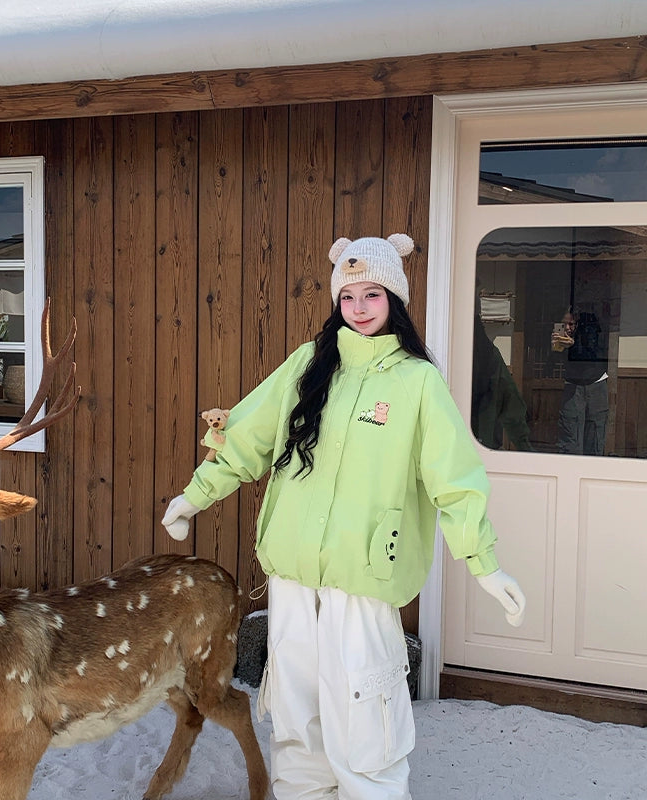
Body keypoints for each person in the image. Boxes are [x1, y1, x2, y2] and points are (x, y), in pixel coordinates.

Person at [162, 234, 526, 800]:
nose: (358, 308)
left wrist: (484, 563)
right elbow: (247, 437)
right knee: (295, 708)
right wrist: (196, 494)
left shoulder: (417, 382)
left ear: (395, 302)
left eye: (372, 294)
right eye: (348, 295)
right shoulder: (308, 365)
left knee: (363, 712)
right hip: (292, 573)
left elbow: (454, 480)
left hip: (364, 576)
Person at [471, 309, 533, 451]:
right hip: (483, 444)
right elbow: (512, 403)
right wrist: (525, 446)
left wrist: (524, 446)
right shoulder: (489, 354)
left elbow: (511, 401)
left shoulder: (489, 355)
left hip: (483, 443)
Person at [551, 309, 608, 455]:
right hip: (572, 385)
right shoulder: (559, 338)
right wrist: (554, 348)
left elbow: (592, 353)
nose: (568, 328)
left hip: (596, 382)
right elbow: (549, 367)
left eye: (571, 324)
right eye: (564, 325)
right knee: (570, 435)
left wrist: (574, 345)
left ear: (578, 324)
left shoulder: (590, 331)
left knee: (595, 435)